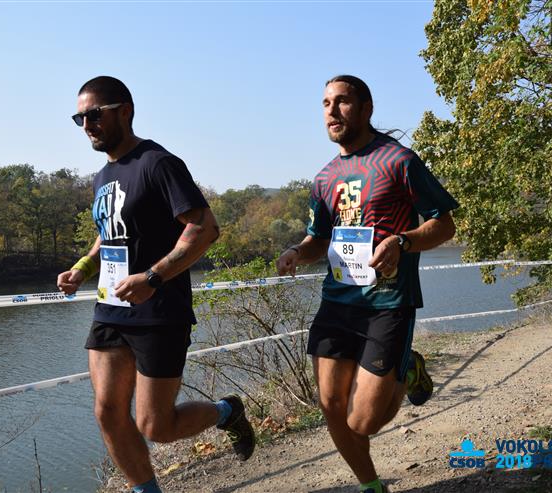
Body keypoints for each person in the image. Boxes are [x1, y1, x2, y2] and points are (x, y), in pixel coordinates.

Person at [57, 76, 255, 493]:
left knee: (156, 426)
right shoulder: (101, 177)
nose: (87, 125)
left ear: (125, 111)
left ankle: (226, 412)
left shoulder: (158, 163)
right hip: (111, 309)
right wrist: (82, 268)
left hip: (159, 312)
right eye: (80, 118)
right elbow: (108, 234)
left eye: (94, 114)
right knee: (107, 412)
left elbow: (204, 227)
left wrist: (153, 277)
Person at [276, 75, 458, 493]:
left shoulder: (398, 161)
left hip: (388, 302)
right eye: (326, 103)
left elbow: (444, 224)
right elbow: (318, 238)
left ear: (366, 108)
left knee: (364, 420)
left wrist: (402, 241)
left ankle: (407, 367)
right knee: (331, 406)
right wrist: (296, 252)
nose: (332, 111)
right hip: (337, 301)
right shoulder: (325, 178)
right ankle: (371, 486)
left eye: (342, 101)